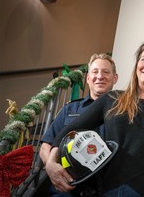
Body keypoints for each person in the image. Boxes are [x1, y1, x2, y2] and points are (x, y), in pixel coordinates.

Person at [44, 40, 144, 197]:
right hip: (106, 190)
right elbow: (68, 130)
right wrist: (51, 163)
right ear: (137, 64)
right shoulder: (111, 99)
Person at [39, 53, 118, 197]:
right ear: (88, 79)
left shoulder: (123, 112)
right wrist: (51, 167)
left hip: (107, 188)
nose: (100, 76)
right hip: (68, 188)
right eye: (95, 72)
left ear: (115, 78)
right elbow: (46, 146)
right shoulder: (69, 109)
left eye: (106, 72)